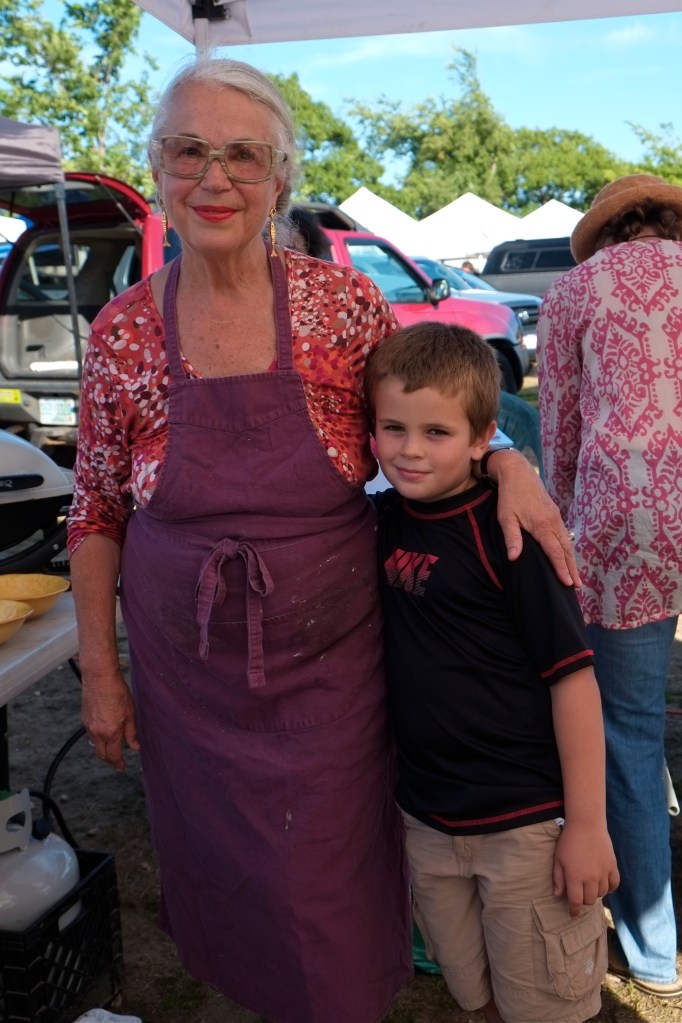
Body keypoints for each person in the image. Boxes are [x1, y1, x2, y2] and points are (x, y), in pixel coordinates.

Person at [66, 57, 578, 1023]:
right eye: (188, 151)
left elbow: (432, 405)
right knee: (226, 874)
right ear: (159, 169)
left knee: (332, 880)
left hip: (332, 668)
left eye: (243, 156)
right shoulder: (125, 332)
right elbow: (95, 509)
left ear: (282, 179)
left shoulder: (337, 306)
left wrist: (507, 457)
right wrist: (101, 669)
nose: (214, 178)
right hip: (188, 673)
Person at [365, 322, 619, 1023]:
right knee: (473, 994)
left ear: (484, 438)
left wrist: (588, 824)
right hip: (427, 819)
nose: (410, 449)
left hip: (526, 828)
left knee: (547, 1004)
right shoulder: (380, 521)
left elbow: (573, 680)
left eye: (437, 432)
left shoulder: (513, 535)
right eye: (393, 427)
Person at [537, 173, 682, 1000]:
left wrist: (560, 534)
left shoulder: (574, 291)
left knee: (628, 729)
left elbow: (557, 432)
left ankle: (656, 955)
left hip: (627, 516)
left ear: (607, 231)